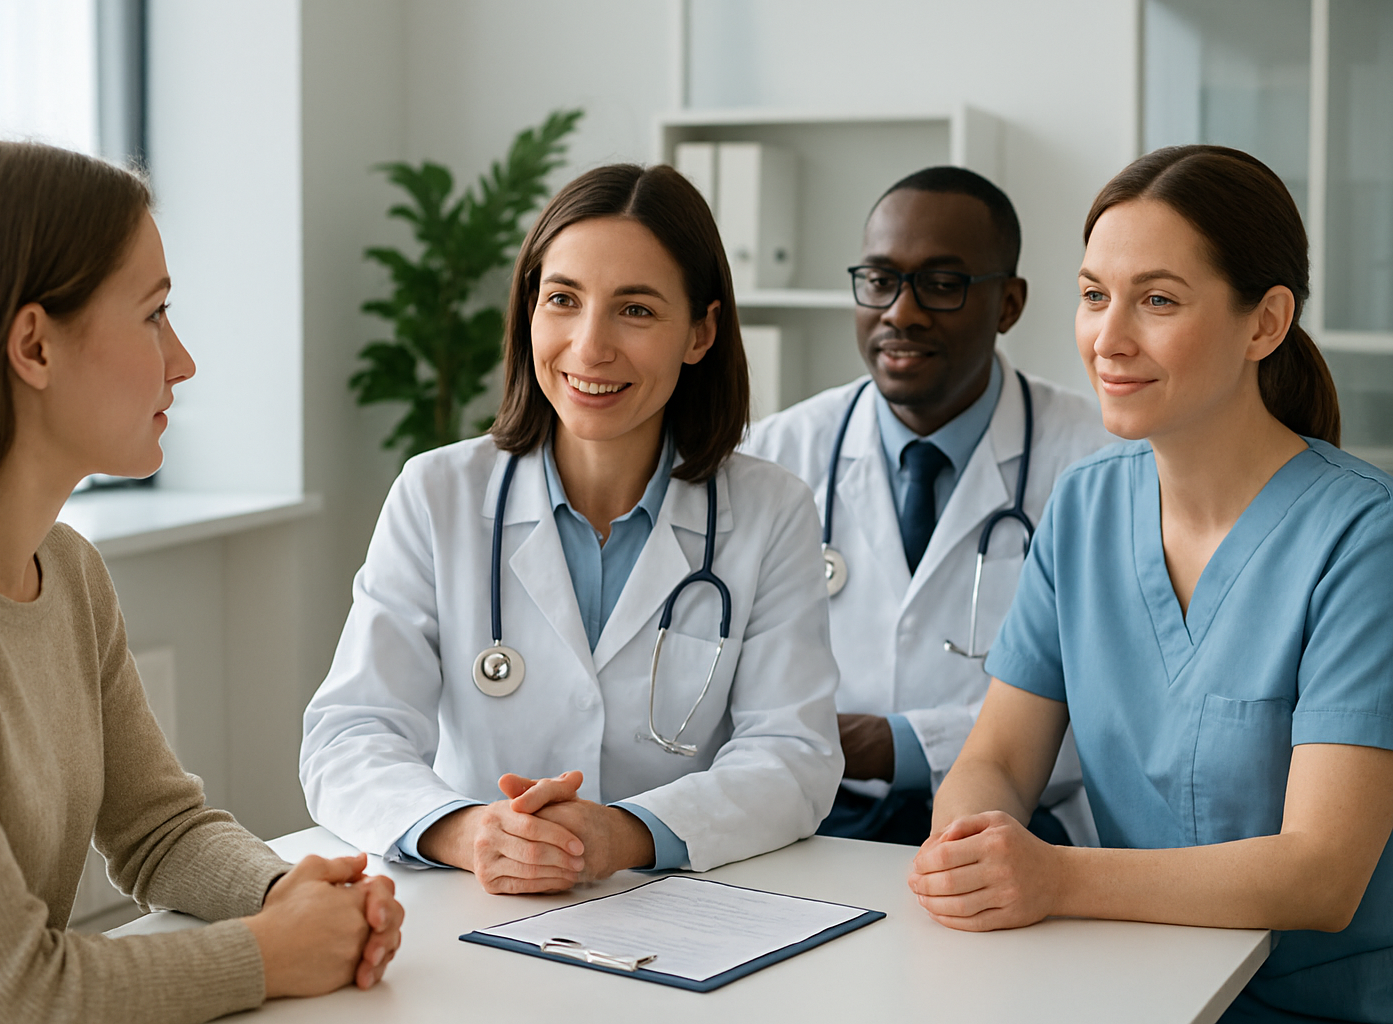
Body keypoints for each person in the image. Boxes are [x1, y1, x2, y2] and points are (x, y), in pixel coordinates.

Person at [0, 140, 403, 1024]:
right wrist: (269, 956)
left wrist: (290, 894)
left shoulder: (66, 570)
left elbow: (160, 831)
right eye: (154, 315)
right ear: (33, 344)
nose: (181, 361)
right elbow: (8, 995)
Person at [910, 145, 1393, 1023]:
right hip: (1134, 983)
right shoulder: (1086, 507)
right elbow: (997, 759)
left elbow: (1323, 873)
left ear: (1265, 323)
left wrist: (1053, 875)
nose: (1109, 337)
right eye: (1095, 295)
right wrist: (969, 841)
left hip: (1319, 1007)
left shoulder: (1363, 537)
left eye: (1158, 300)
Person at [300, 163, 842, 894]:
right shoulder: (437, 494)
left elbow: (793, 756)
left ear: (701, 331)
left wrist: (624, 834)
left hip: (681, 907)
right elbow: (349, 736)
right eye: (563, 300)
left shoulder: (771, 511)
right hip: (477, 900)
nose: (589, 348)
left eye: (637, 310)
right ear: (529, 311)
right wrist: (466, 830)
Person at [743, 167, 1110, 847]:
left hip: (1020, 833)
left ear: (1009, 304)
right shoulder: (776, 454)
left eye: (942, 285)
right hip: (809, 825)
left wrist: (902, 744)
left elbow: (1120, 716)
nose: (901, 313)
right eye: (880, 280)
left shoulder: (1102, 465)